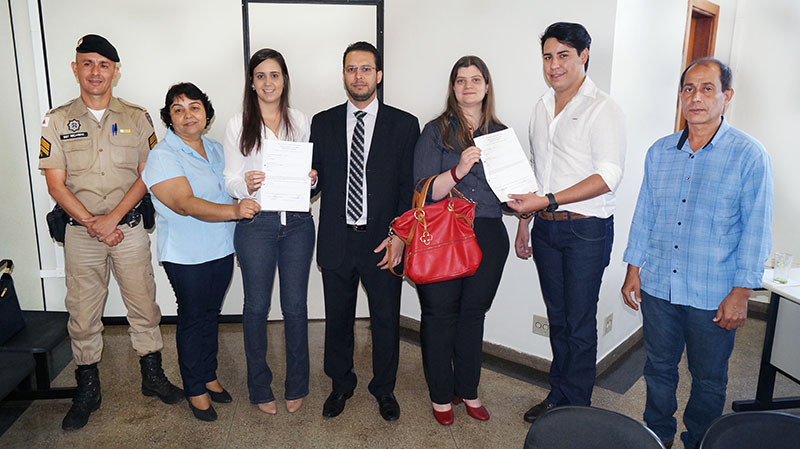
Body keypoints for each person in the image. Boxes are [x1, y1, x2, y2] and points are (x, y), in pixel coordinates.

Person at [621, 58, 773, 449]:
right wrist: (633, 268)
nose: (696, 97)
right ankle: (656, 436)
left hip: (714, 294)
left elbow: (756, 229)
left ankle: (700, 442)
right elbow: (645, 214)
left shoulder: (749, 156)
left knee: (708, 379)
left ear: (727, 96)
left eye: (707, 89)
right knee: (657, 370)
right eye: (689, 88)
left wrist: (741, 293)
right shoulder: (660, 152)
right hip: (660, 289)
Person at [38, 34, 182, 430]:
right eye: (87, 63)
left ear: (116, 72)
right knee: (82, 314)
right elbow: (56, 185)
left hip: (128, 227)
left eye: (104, 65)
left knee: (143, 304)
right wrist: (92, 223)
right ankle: (88, 388)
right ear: (75, 69)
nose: (95, 72)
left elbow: (146, 176)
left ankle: (152, 377)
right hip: (81, 233)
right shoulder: (56, 120)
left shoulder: (136, 118)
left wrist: (113, 220)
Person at [507, 22, 626, 422]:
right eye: (548, 56)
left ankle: (577, 409)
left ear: (583, 56)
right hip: (546, 227)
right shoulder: (541, 107)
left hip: (586, 231)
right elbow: (539, 171)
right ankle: (559, 395)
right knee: (557, 318)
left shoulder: (603, 108)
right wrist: (526, 221)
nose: (554, 65)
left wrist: (551, 199)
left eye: (563, 55)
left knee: (578, 321)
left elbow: (608, 176)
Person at [311, 41, 419, 421]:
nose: (359, 76)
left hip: (383, 241)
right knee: (337, 319)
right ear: (343, 75)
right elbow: (315, 180)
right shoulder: (322, 122)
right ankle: (340, 385)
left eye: (366, 69)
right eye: (351, 69)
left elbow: (409, 187)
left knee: (386, 319)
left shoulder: (404, 124)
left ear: (379, 75)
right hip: (337, 240)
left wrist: (400, 236)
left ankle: (384, 389)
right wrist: (308, 181)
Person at [142, 83, 260, 422]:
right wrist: (237, 213)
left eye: (194, 107)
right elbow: (184, 203)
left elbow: (233, 190)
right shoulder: (163, 155)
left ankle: (209, 375)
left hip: (220, 248)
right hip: (185, 254)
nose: (187, 115)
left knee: (211, 316)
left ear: (206, 113)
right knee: (193, 319)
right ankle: (195, 387)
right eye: (177, 110)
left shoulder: (216, 149)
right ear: (169, 118)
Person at [412, 56, 509, 425]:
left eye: (476, 79)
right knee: (439, 315)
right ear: (453, 88)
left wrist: (522, 202)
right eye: (460, 80)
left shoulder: (501, 133)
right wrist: (458, 170)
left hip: (487, 233)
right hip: (443, 233)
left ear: (486, 86)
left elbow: (507, 194)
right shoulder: (435, 131)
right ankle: (440, 395)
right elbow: (422, 190)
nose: (468, 86)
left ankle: (468, 389)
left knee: (472, 316)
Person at [222, 48, 316, 415]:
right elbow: (229, 180)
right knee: (256, 307)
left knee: (295, 307)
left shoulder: (299, 121)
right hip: (256, 224)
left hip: (296, 224)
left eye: (274, 75)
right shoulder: (237, 124)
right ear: (252, 82)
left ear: (284, 80)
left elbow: (307, 175)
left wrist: (312, 178)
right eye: (260, 76)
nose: (268, 82)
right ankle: (260, 388)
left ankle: (297, 385)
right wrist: (244, 183)